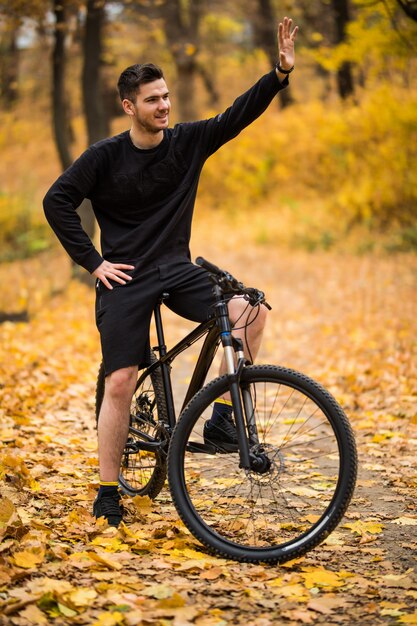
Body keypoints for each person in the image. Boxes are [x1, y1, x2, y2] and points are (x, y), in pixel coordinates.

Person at [43, 17, 298, 527]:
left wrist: (279, 73)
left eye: (165, 97)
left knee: (249, 310)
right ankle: (108, 490)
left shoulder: (188, 142)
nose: (163, 106)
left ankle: (224, 420)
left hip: (177, 269)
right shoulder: (103, 158)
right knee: (119, 382)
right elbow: (57, 202)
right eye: (152, 100)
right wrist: (94, 262)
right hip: (125, 278)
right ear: (129, 106)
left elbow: (235, 116)